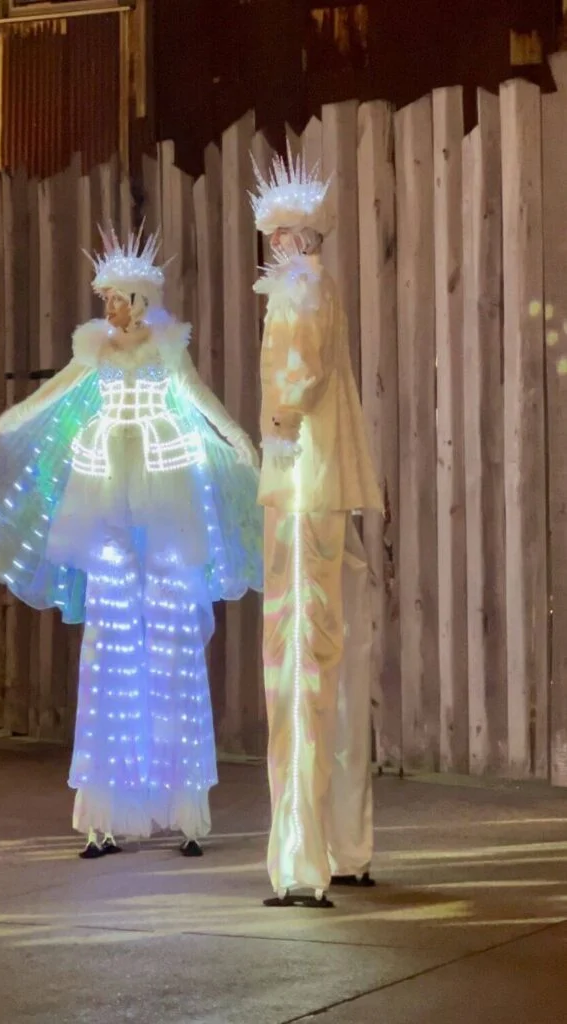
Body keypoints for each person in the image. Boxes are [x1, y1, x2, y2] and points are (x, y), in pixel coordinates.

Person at [0, 227, 262, 860]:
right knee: (110, 645)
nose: (108, 309)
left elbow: (196, 395)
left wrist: (237, 438)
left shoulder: (167, 350)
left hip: (165, 495)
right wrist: (7, 423)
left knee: (173, 641)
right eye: (105, 300)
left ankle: (184, 810)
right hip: (106, 502)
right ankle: (105, 811)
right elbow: (59, 389)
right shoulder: (94, 349)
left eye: (115, 299)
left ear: (137, 298)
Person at [250, 146, 383, 907]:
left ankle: (301, 862)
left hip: (302, 486)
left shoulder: (298, 292)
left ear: (296, 240)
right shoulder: (317, 288)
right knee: (335, 660)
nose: (274, 247)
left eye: (280, 234)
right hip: (326, 485)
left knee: (296, 666)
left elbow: (294, 381)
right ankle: (345, 842)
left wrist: (276, 427)